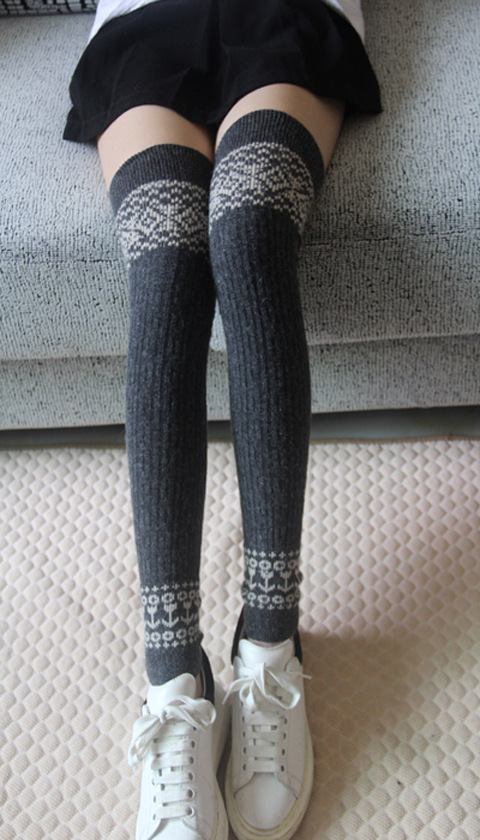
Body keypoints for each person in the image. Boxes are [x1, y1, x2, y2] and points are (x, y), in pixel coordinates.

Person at [64, 2, 381, 838]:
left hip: (285, 15)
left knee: (246, 233)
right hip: (146, 21)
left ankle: (271, 641)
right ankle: (175, 677)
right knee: (167, 268)